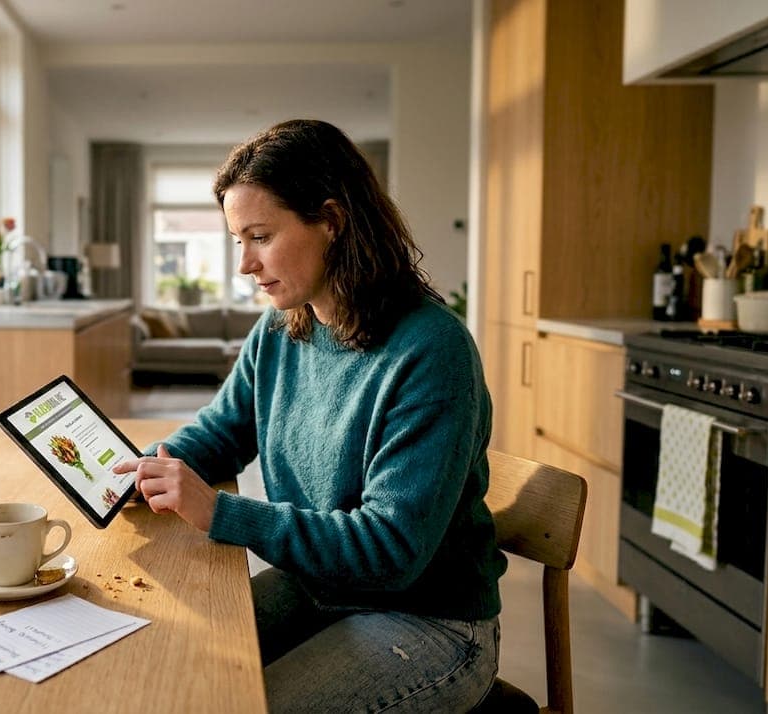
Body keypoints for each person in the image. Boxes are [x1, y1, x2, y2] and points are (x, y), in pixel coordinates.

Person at [112, 119, 506, 713]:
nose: (244, 264)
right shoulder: (281, 329)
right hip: (321, 584)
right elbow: (221, 431)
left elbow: (391, 550)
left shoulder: (431, 350)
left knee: (237, 705)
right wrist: (151, 468)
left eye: (261, 236)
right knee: (173, 670)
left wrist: (221, 512)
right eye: (236, 240)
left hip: (428, 620)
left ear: (331, 220)